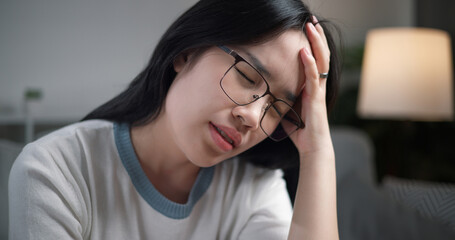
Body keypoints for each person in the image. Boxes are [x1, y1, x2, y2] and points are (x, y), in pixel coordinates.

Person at [9, 0, 341, 239]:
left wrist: (318, 152)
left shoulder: (254, 190)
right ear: (187, 52)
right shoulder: (56, 170)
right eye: (245, 75)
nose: (253, 116)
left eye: (278, 108)